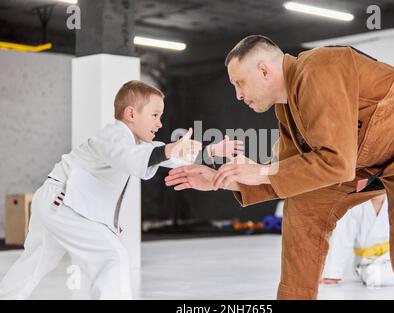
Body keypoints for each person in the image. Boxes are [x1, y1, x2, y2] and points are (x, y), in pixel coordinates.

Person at [165, 35, 394, 299]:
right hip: (376, 162)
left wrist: (263, 171)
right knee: (303, 203)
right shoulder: (287, 108)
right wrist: (222, 179)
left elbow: (335, 162)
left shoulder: (318, 66)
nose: (238, 95)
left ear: (264, 71)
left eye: (239, 83)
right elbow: (291, 171)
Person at [0, 80, 238, 300]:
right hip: (62, 201)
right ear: (131, 114)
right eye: (155, 115)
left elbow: (167, 156)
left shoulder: (136, 144)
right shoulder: (113, 136)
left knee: (34, 263)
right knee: (110, 258)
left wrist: (211, 152)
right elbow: (134, 158)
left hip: (54, 202)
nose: (160, 123)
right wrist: (169, 150)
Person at [321, 194, 394, 287]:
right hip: (366, 262)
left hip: (393, 259)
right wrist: (333, 274)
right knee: (373, 276)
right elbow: (342, 238)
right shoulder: (354, 204)